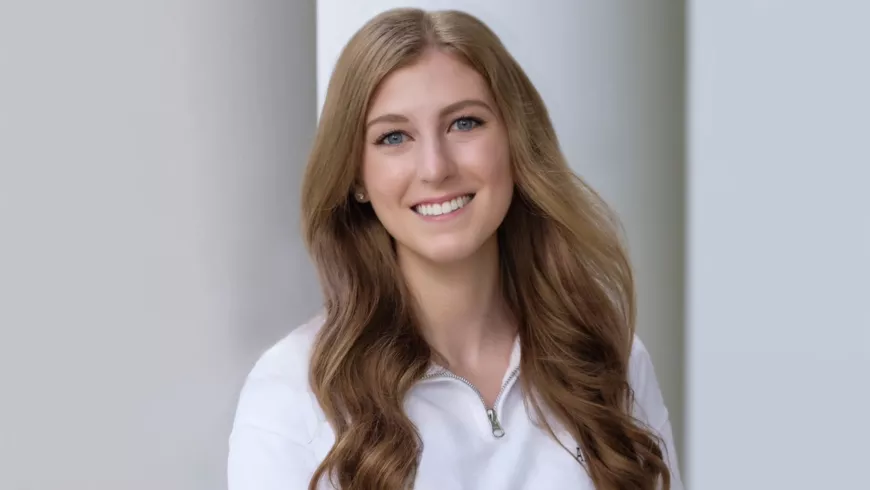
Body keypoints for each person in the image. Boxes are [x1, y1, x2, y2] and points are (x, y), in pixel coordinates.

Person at [228, 7, 683, 490]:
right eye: (394, 137)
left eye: (464, 123)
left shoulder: (609, 358)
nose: (435, 167)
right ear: (357, 177)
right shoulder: (293, 391)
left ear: (515, 142)